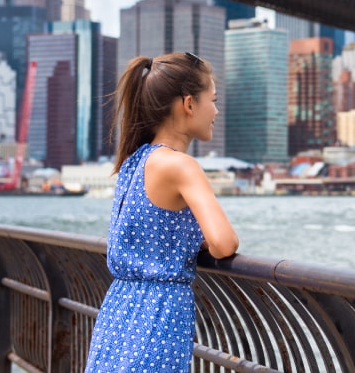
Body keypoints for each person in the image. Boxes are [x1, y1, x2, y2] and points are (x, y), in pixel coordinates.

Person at [85, 52, 239, 372]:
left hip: (118, 312)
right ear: (189, 104)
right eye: (212, 99)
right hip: (159, 316)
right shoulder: (180, 165)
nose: (217, 110)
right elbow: (224, 243)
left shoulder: (134, 161)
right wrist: (203, 243)